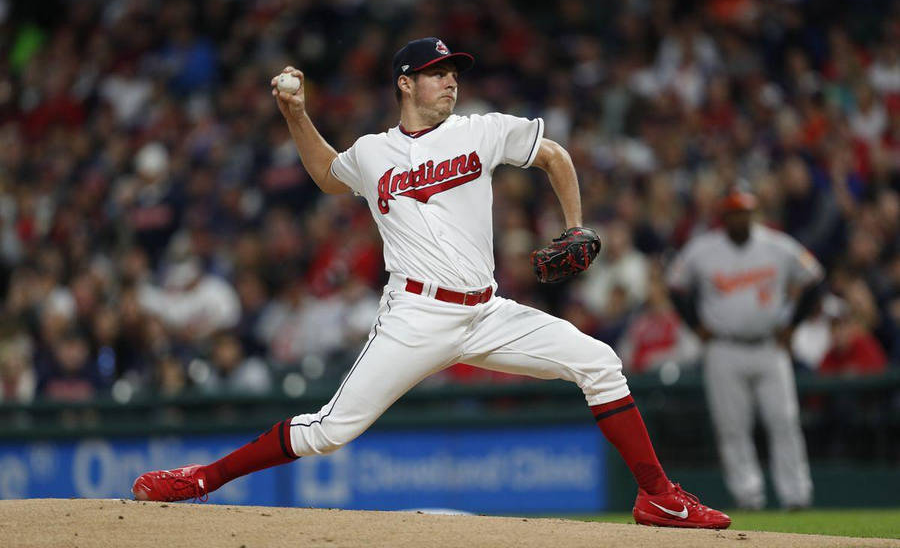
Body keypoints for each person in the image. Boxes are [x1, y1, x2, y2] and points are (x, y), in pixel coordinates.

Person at [132, 37, 730, 529]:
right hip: (415, 316)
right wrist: (295, 113)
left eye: (452, 73)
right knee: (329, 431)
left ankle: (659, 496)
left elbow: (554, 155)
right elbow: (325, 174)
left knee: (599, 362)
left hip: (488, 312)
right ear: (404, 83)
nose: (449, 82)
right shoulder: (371, 154)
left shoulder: (481, 130)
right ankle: (203, 477)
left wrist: (576, 224)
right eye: (435, 73)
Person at [667, 184, 824, 510]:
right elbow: (675, 287)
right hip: (724, 349)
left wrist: (793, 325)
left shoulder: (777, 245)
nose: (741, 218)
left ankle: (796, 496)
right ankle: (747, 495)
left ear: (754, 213)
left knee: (784, 422)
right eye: (735, 212)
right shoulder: (702, 249)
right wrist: (695, 325)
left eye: (745, 211)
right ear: (724, 216)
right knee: (732, 427)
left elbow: (814, 278)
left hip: (770, 347)